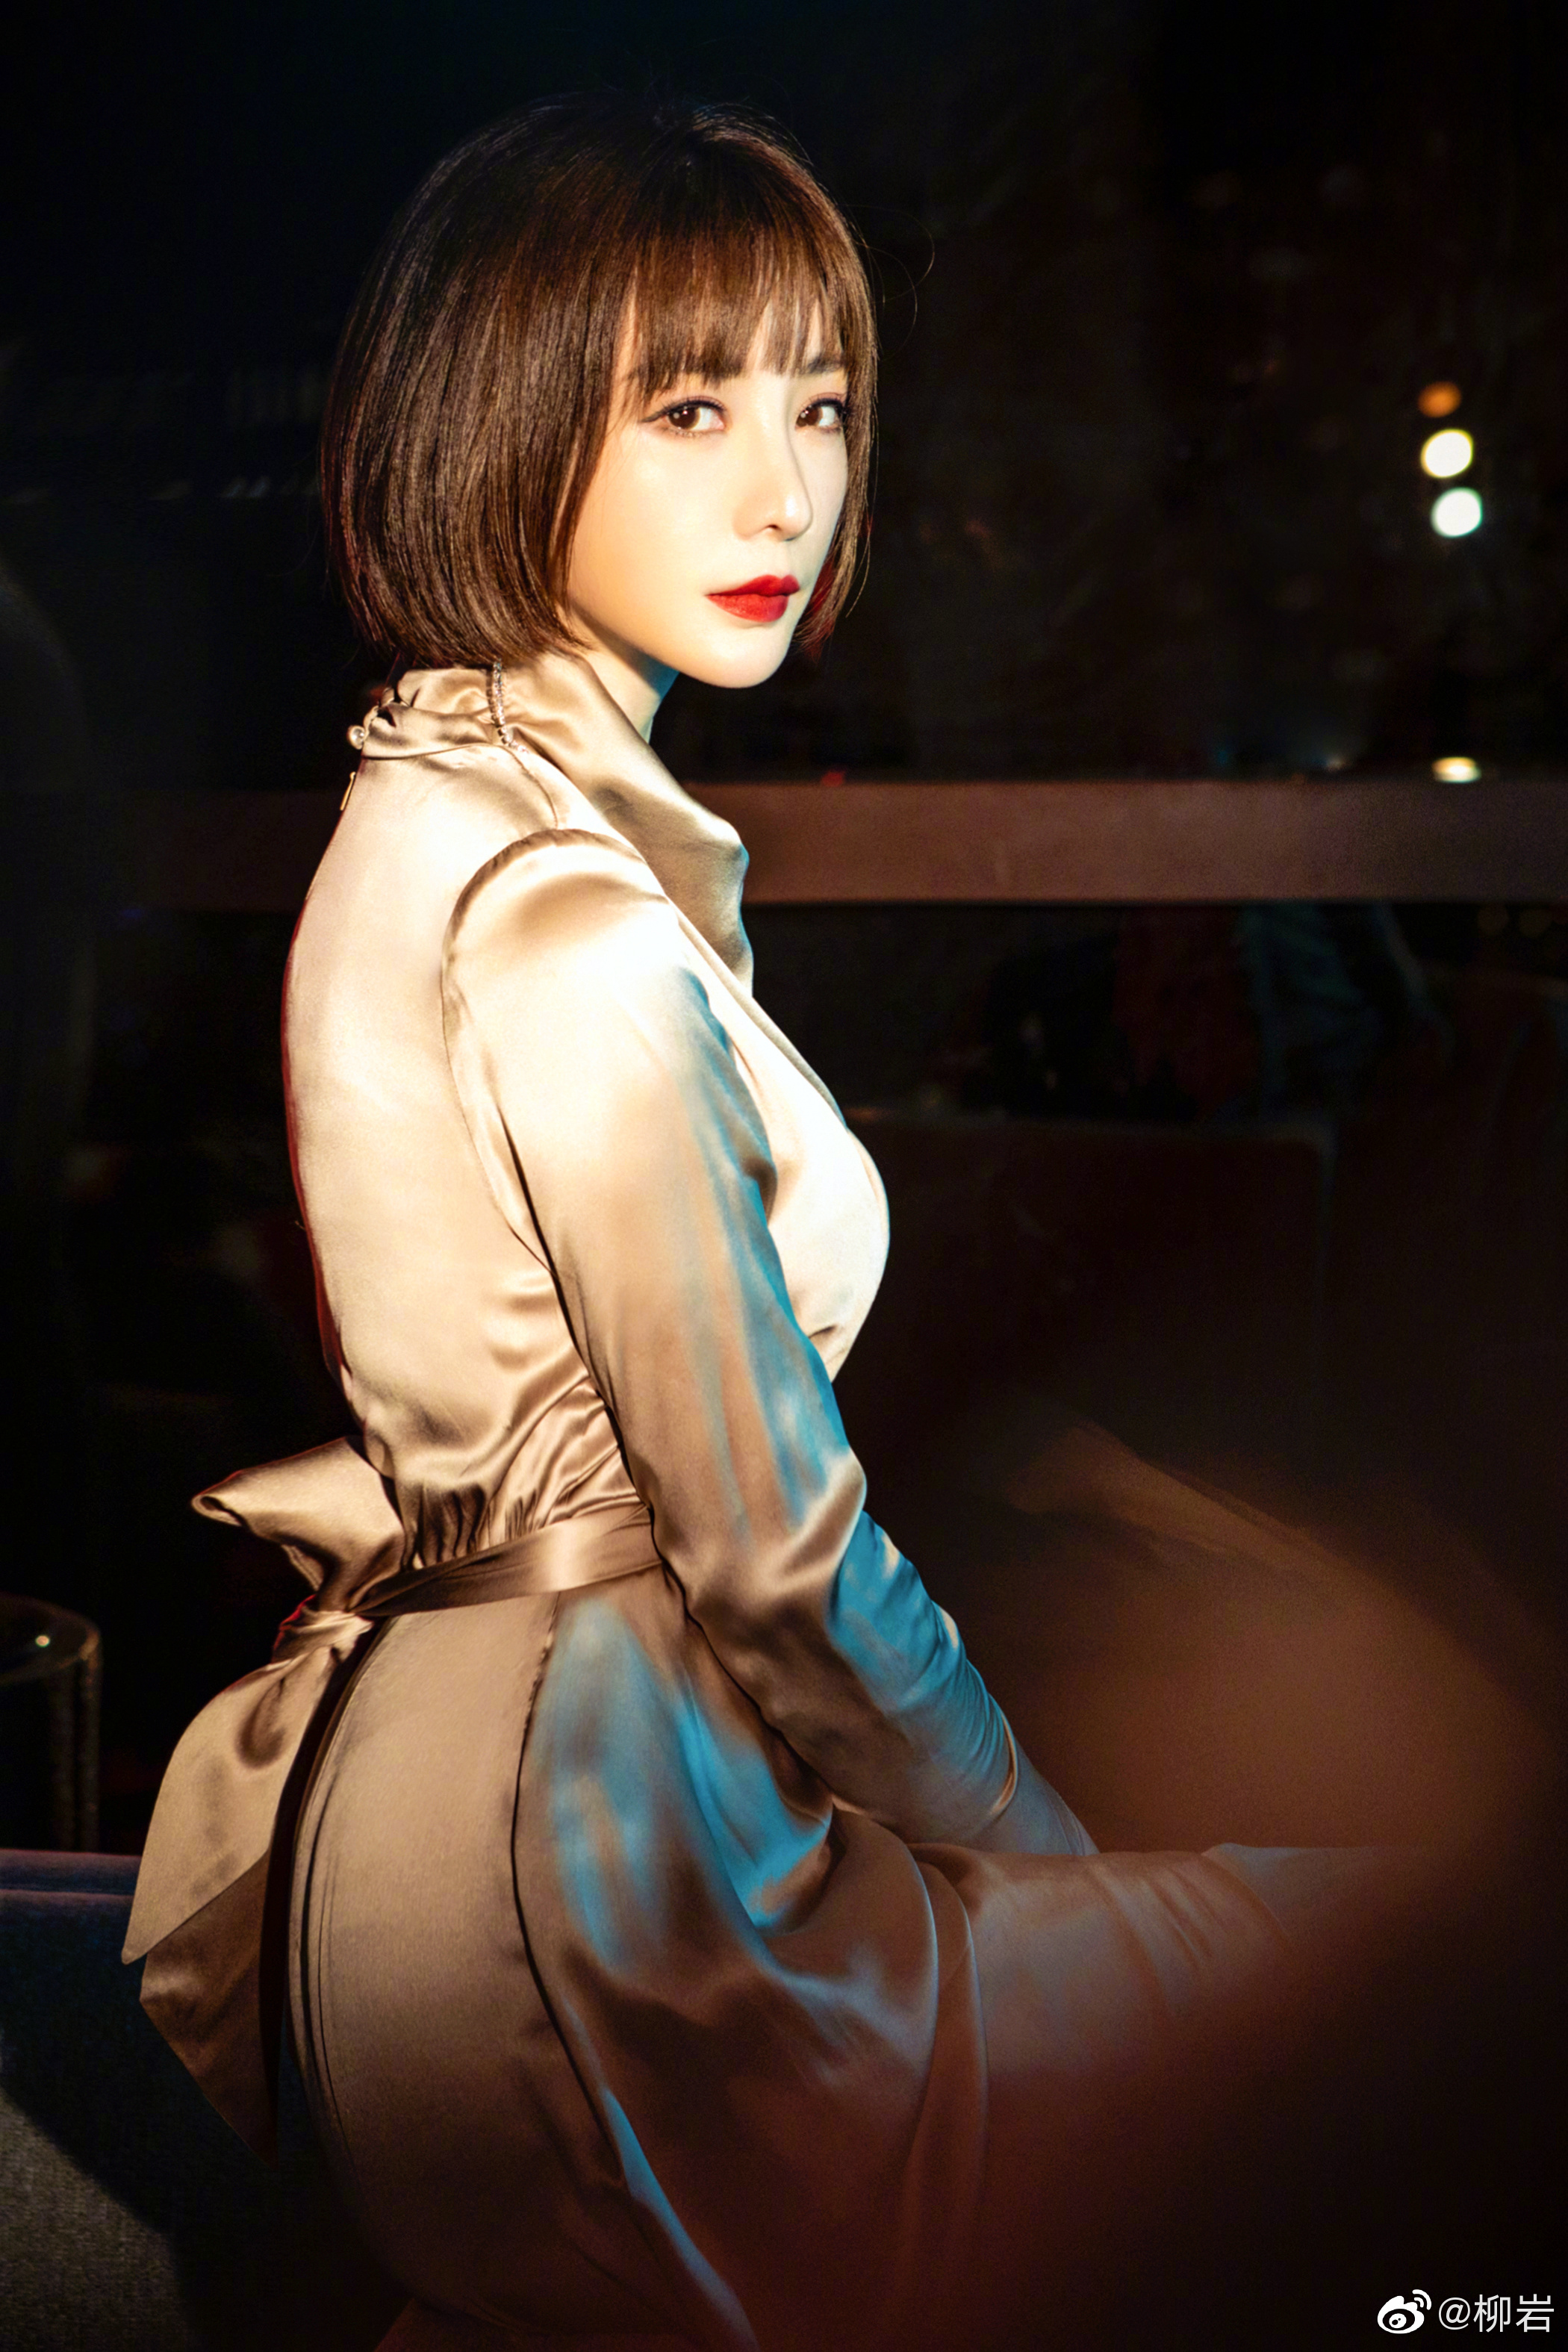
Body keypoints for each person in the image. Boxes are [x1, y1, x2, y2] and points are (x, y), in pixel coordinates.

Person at [122, 94, 1421, 2352]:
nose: (784, 491)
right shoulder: (562, 922)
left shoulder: (425, 809)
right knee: (1390, 1994)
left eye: (816, 406)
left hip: (459, 1856)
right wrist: (1050, 1860)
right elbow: (772, 1553)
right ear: (504, 417)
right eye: (689, 408)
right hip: (604, 1908)